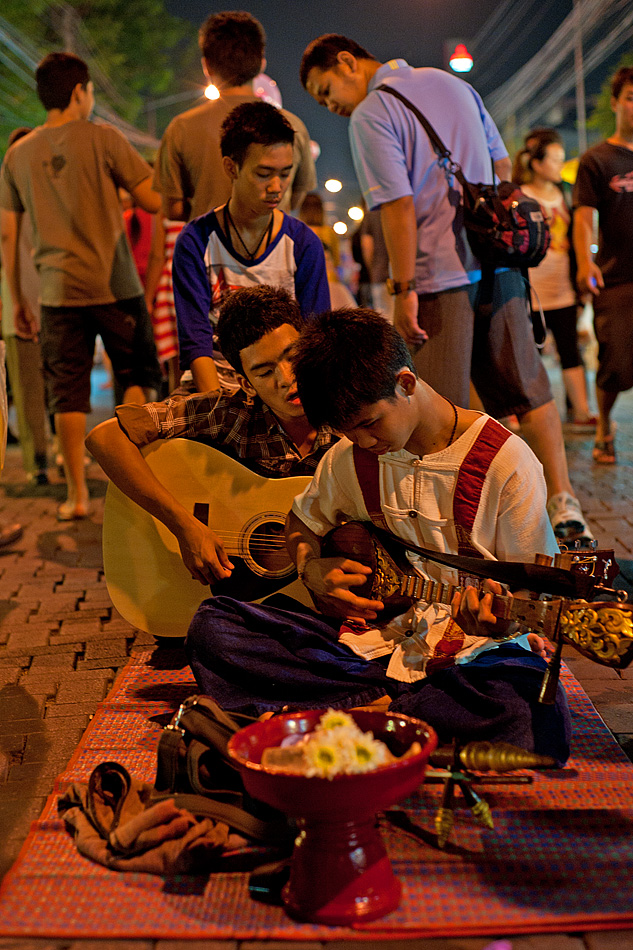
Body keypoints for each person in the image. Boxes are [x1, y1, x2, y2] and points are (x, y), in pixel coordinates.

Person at [185, 309, 570, 763]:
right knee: (214, 626)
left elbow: (539, 595)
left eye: (369, 424)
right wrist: (310, 569)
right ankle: (402, 718)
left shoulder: (507, 462)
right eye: (347, 432)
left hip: (474, 659)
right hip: (373, 647)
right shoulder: (353, 454)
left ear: (406, 383)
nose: (363, 441)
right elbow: (302, 521)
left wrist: (503, 621)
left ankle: (358, 715)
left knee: (528, 711)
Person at [299, 34, 593, 548]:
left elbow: (396, 205)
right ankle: (563, 507)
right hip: (498, 265)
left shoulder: (373, 111)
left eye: (328, 92)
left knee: (436, 408)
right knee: (529, 388)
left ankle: (453, 536)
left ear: (347, 63)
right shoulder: (450, 83)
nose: (334, 107)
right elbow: (501, 167)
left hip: (437, 277)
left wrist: (402, 288)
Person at [0, 52, 162, 521]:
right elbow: (152, 199)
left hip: (55, 292)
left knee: (66, 393)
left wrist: (18, 298)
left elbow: (9, 235)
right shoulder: (105, 138)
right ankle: (134, 480)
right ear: (79, 92)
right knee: (134, 377)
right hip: (117, 287)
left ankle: (76, 494)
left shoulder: (17, 154)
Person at [86, 285, 338, 583]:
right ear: (245, 384)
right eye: (264, 372)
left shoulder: (348, 416)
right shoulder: (229, 414)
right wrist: (184, 526)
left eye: (292, 357)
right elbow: (105, 437)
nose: (286, 379)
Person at [172, 101, 329, 394]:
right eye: (263, 173)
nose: (276, 187)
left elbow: (314, 339)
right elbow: (197, 342)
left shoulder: (303, 244)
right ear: (231, 167)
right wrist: (219, 410)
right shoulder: (195, 241)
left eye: (285, 174)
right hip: (213, 382)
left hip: (286, 384)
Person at [154, 10, 316, 223]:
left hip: (206, 250)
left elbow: (173, 210)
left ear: (207, 66)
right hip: (273, 252)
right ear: (262, 63)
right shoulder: (292, 125)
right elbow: (295, 199)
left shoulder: (181, 127)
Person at [513, 129, 595, 431]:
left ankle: (582, 412)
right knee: (529, 352)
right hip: (530, 288)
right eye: (555, 159)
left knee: (571, 350)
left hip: (563, 287)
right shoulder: (520, 196)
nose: (560, 166)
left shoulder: (567, 193)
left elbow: (577, 238)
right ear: (536, 164)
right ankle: (529, 412)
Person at [573, 66, 633, 466]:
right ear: (616, 103)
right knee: (615, 362)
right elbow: (582, 217)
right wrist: (584, 262)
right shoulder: (597, 160)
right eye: (631, 97)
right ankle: (604, 424)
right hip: (617, 276)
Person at [0, 128, 50, 485]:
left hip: (18, 303)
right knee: (61, 386)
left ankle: (38, 464)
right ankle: (67, 453)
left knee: (28, 385)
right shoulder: (49, 194)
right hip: (56, 300)